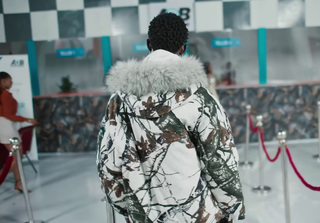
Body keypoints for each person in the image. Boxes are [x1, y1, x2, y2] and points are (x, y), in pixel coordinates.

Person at [97, 13, 245, 223]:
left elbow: (107, 163)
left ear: (149, 44)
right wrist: (230, 209)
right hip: (195, 213)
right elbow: (221, 158)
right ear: (184, 48)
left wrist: (131, 208)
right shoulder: (198, 97)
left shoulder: (118, 100)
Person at [0, 71, 37, 192]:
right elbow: (8, 114)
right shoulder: (4, 94)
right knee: (17, 157)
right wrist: (26, 119)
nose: (12, 82)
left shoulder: (4, 94)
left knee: (16, 157)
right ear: (3, 81)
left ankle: (18, 183)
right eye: (10, 80)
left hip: (6, 126)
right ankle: (6, 177)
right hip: (6, 127)